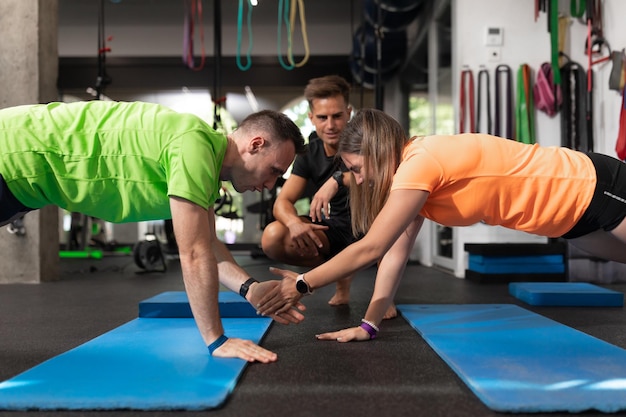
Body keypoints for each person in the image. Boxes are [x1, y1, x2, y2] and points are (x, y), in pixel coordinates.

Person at [257, 107, 626, 343]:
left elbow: (370, 247)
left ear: (380, 150)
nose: (359, 179)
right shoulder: (411, 183)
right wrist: (368, 325)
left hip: (593, 188)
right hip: (570, 223)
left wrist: (303, 284)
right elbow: (391, 256)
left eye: (356, 168)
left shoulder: (420, 162)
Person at [0, 100, 307, 362]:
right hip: (13, 152)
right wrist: (217, 340)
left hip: (23, 179)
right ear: (256, 145)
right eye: (274, 171)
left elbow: (208, 244)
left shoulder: (204, 156)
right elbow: (193, 253)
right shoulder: (194, 146)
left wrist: (250, 289)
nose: (269, 186)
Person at [260, 75, 396, 318]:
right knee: (273, 236)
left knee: (389, 221)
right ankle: (340, 275)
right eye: (322, 117)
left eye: (337, 116)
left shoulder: (367, 143)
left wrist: (337, 180)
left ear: (349, 113)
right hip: (334, 229)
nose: (330, 125)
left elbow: (387, 179)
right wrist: (294, 224)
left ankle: (384, 296)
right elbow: (283, 201)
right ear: (311, 117)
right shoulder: (309, 153)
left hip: (372, 225)